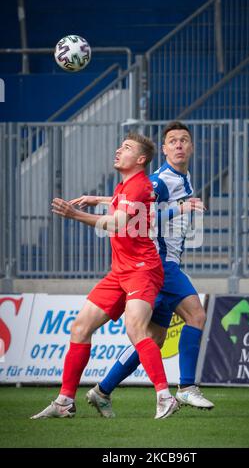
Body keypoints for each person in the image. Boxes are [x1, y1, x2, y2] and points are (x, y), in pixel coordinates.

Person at [31, 132, 179, 420]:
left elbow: (117, 223)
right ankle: (64, 402)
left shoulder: (139, 185)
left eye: (125, 148)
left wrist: (74, 214)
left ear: (140, 159)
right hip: (119, 271)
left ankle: (165, 397)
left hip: (142, 270)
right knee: (79, 328)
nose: (117, 150)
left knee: (136, 329)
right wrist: (97, 199)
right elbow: (120, 201)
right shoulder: (125, 184)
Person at [71, 121, 214, 418]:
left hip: (160, 266)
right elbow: (142, 218)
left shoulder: (182, 180)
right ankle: (186, 387)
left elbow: (131, 203)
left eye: (184, 140)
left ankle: (102, 390)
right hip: (158, 264)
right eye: (172, 141)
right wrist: (181, 210)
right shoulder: (161, 181)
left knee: (153, 339)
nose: (178, 145)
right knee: (196, 315)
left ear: (192, 147)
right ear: (162, 150)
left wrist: (97, 199)